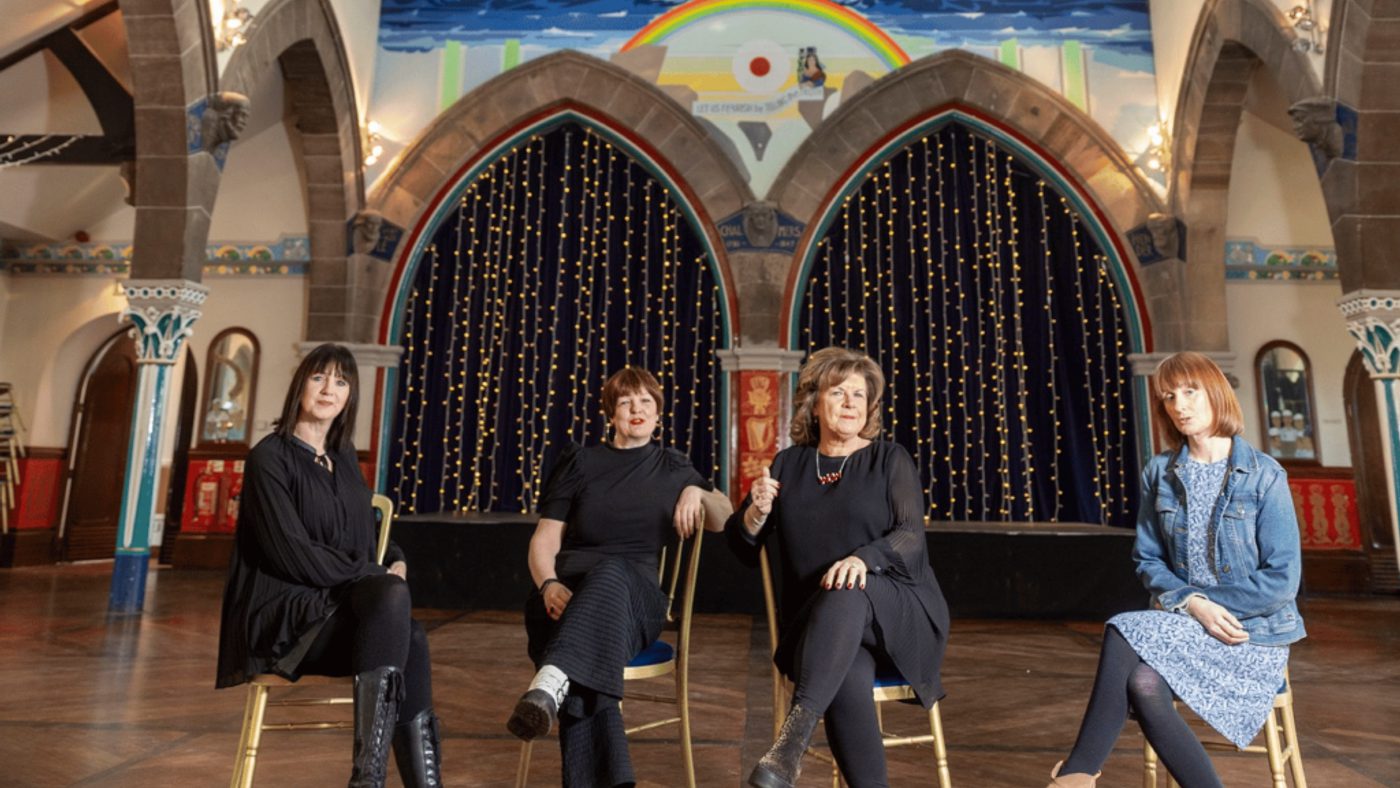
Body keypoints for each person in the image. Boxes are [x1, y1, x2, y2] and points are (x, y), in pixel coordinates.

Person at [1045, 352, 1305, 788]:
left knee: (1123, 627)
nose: (1179, 404)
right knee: (1144, 683)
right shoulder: (1159, 473)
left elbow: (1282, 580)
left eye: (1190, 391)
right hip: (1187, 627)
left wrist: (1204, 606)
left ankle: (1076, 773)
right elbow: (1148, 560)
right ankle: (1079, 774)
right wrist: (1192, 604)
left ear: (1216, 394)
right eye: (1168, 396)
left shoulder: (1264, 475)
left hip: (1250, 636)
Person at [217, 344, 439, 788]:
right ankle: (369, 779)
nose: (328, 389)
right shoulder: (269, 458)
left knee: (411, 634)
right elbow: (290, 552)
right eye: (319, 377)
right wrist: (375, 574)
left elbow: (363, 533)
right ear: (300, 384)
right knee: (394, 606)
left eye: (341, 381)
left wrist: (392, 557)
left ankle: (390, 782)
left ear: (350, 396)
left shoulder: (342, 460)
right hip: (286, 616)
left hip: (336, 608)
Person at [727, 347, 949, 788]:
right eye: (839, 392)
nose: (850, 403)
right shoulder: (788, 464)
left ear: (870, 408)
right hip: (816, 630)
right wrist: (755, 511)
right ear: (814, 402)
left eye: (860, 395)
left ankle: (790, 745)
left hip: (898, 616)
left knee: (848, 588)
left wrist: (861, 559)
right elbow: (741, 548)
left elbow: (910, 536)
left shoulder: (890, 459)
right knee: (844, 673)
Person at [506, 366, 732, 787]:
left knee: (611, 571)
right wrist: (548, 584)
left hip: (638, 606)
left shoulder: (674, 467)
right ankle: (559, 691)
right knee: (593, 644)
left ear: (659, 414)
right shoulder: (580, 463)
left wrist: (698, 491)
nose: (637, 409)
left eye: (646, 401)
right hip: (565, 601)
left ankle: (551, 680)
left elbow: (724, 519)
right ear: (611, 413)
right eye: (626, 401)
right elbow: (544, 541)